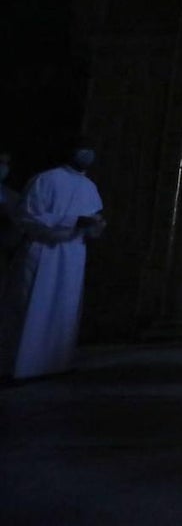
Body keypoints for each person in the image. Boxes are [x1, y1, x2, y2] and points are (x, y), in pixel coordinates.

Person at [0, 137, 106, 381]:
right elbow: (28, 217)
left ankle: (55, 363)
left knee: (64, 308)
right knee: (31, 308)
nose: (87, 154)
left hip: (73, 253)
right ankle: (20, 367)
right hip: (44, 250)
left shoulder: (89, 186)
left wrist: (95, 225)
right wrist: (72, 221)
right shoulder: (46, 180)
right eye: (83, 149)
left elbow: (93, 219)